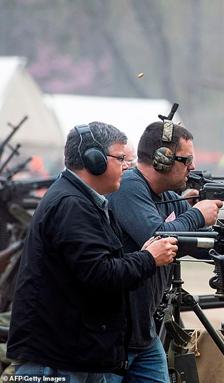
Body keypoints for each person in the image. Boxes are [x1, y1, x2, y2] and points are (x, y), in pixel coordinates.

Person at [107, 120, 224, 383]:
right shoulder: (129, 187)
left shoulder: (165, 196)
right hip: (116, 331)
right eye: (186, 159)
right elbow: (157, 236)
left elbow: (203, 245)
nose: (192, 167)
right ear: (162, 159)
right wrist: (196, 214)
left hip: (142, 331)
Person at [6, 122, 179, 382]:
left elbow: (97, 266)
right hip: (56, 361)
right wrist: (148, 259)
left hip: (72, 354)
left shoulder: (83, 201)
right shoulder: (72, 205)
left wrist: (142, 257)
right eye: (120, 158)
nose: (126, 165)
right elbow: (101, 274)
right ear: (94, 160)